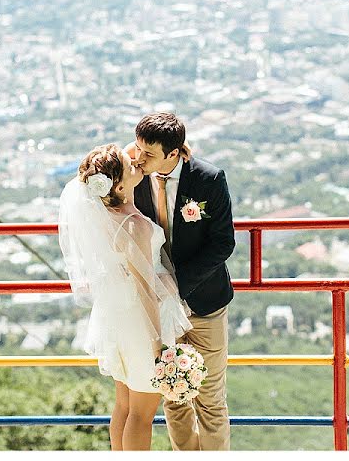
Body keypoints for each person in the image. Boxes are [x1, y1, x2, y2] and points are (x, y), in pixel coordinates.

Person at [58, 143, 192, 451]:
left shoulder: (107, 214)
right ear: (117, 184)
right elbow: (144, 287)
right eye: (129, 165)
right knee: (142, 415)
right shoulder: (133, 225)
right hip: (141, 321)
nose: (136, 164)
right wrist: (157, 343)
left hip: (117, 316)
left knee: (124, 405)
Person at [126, 112, 236, 451]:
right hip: (159, 309)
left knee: (211, 401)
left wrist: (178, 283)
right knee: (174, 398)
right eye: (139, 149)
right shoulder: (135, 177)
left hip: (204, 303)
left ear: (174, 154)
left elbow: (223, 242)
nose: (139, 158)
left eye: (149, 154)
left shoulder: (208, 178)